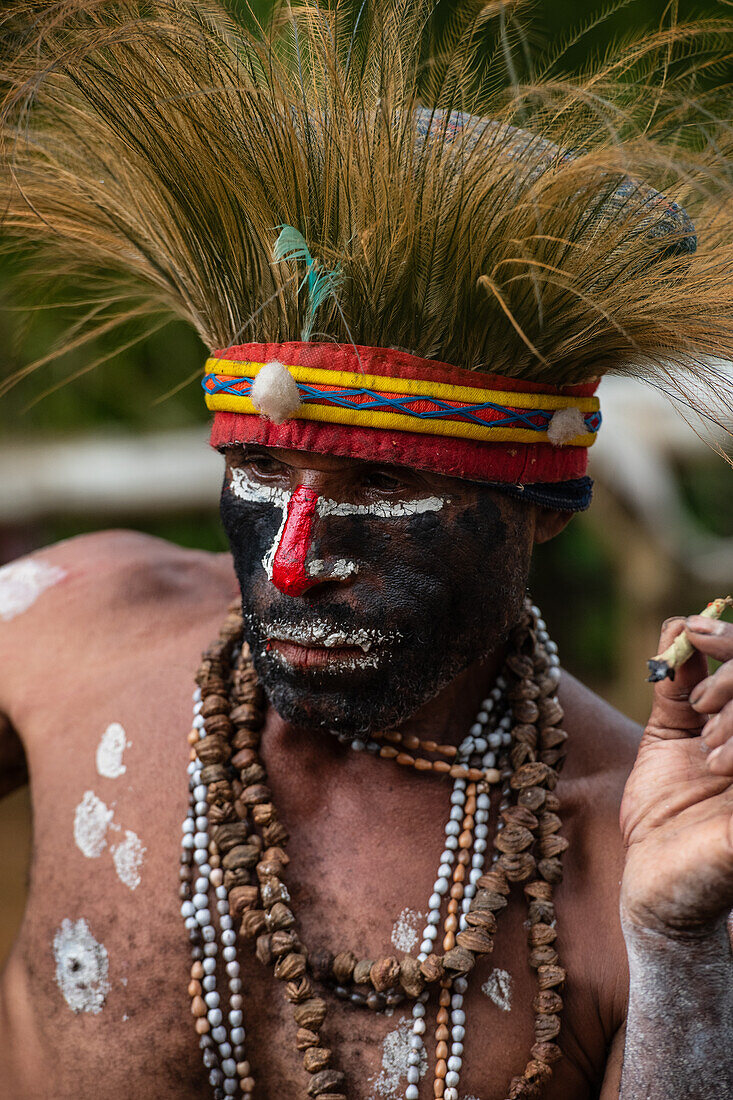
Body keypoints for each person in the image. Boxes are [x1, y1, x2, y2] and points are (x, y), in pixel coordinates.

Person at [0, 3, 732, 1098]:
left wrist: (681, 954)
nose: (294, 563)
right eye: (262, 474)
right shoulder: (66, 630)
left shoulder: (630, 853)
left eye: (385, 484)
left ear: (543, 505)